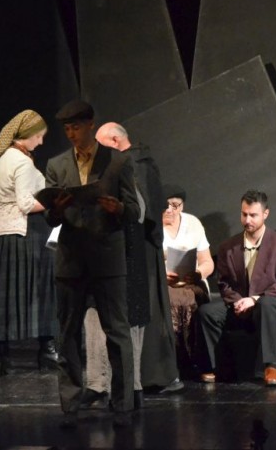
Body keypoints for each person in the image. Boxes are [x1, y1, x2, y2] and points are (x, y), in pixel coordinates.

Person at [44, 100, 140, 429]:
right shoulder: (57, 164)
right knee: (68, 331)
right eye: (67, 129)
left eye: (76, 127)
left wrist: (118, 209)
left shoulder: (118, 161)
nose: (71, 134)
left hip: (107, 257)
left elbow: (134, 211)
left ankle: (123, 402)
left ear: (90, 125)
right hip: (70, 259)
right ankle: (71, 400)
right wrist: (56, 209)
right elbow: (50, 218)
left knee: (117, 331)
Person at [80, 123, 183, 411]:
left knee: (127, 318)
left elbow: (142, 212)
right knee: (111, 316)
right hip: (118, 251)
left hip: (133, 253)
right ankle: (113, 384)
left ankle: (127, 383)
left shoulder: (135, 164)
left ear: (115, 140)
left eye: (101, 144)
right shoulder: (130, 163)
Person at [0, 110, 59, 376]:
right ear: (27, 134)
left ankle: (1, 356)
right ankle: (47, 349)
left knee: (5, 294)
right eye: (39, 137)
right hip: (24, 234)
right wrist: (55, 202)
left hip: (2, 232)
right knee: (40, 290)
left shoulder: (5, 158)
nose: (41, 142)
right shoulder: (22, 162)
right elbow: (25, 203)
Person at [196, 190, 276, 386]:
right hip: (240, 302)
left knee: (266, 305)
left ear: (265, 214)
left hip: (273, 305)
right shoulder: (228, 246)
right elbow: (224, 282)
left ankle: (270, 366)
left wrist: (254, 300)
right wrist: (238, 301)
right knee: (207, 312)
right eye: (244, 214)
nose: (247, 220)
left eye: (253, 215)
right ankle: (214, 366)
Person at [161, 184, 215, 376]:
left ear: (182, 206)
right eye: (166, 205)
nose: (170, 210)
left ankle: (199, 361)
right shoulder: (152, 225)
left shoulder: (193, 224)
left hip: (191, 281)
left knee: (192, 298)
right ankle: (173, 364)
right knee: (171, 299)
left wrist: (198, 273)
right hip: (163, 282)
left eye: (175, 205)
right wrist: (162, 274)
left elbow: (207, 262)